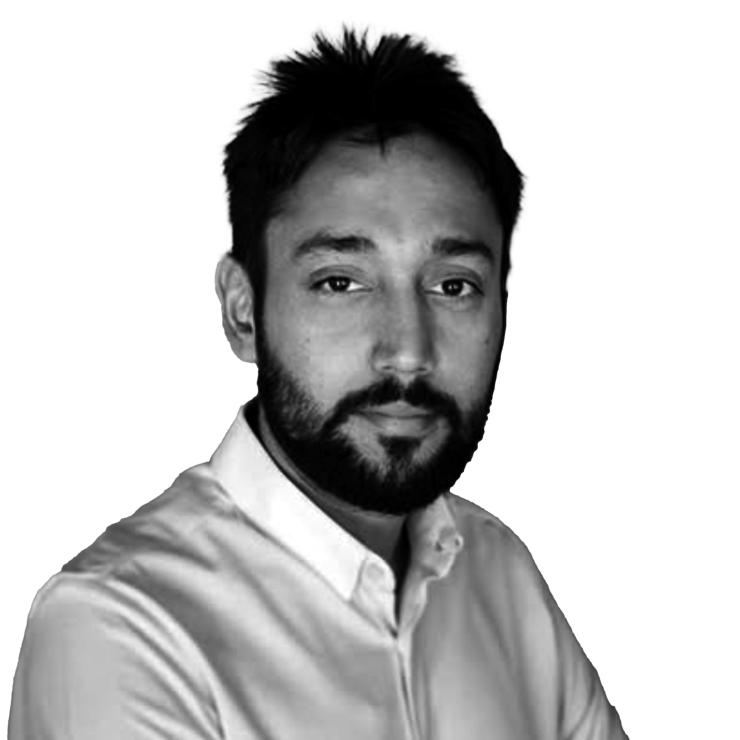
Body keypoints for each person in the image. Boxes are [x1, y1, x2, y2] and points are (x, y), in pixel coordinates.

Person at [9, 29, 628, 739]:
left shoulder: (499, 573)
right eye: (340, 282)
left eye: (454, 285)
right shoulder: (120, 628)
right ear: (243, 312)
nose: (408, 353)